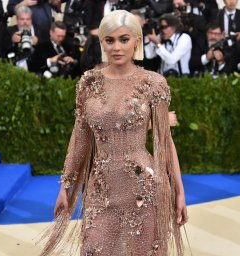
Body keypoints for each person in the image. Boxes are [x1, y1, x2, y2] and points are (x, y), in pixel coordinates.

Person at [39, 9, 188, 256]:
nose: (117, 47)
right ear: (102, 43)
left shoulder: (153, 83)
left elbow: (164, 141)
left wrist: (179, 192)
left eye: (124, 39)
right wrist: (65, 188)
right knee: (95, 248)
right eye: (110, 40)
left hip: (143, 187)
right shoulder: (89, 83)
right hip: (100, 187)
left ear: (136, 42)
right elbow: (80, 139)